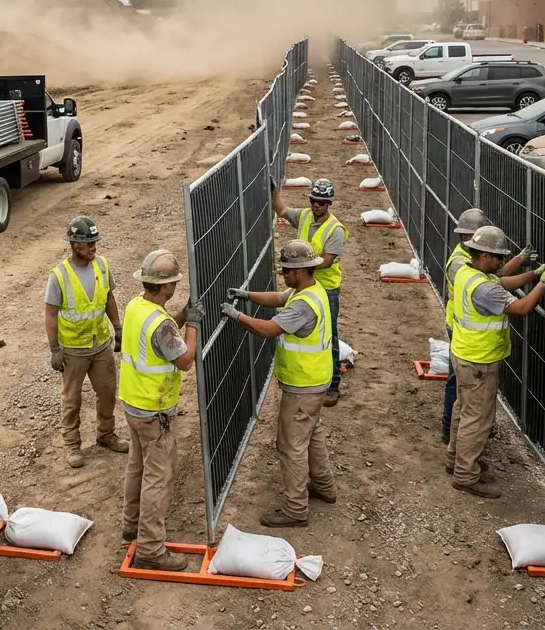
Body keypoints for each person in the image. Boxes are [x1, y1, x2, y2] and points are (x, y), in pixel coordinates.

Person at [221, 240, 339, 527]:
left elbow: (269, 329)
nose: (282, 274)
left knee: (291, 445)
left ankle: (296, 509)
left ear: (298, 272)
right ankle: (325, 487)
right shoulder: (311, 290)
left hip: (303, 385)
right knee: (312, 434)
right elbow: (278, 298)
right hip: (315, 381)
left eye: (286, 271)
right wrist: (246, 295)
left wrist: (236, 315)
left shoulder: (302, 306)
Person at [447, 225, 545, 499]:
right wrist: (543, 284)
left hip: (464, 354)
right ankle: (466, 475)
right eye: (497, 257)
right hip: (479, 362)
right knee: (478, 419)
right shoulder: (483, 289)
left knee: (463, 409)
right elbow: (521, 307)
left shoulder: (468, 273)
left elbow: (503, 282)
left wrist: (532, 274)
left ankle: (455, 459)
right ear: (483, 255)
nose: (500, 262)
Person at [119, 248, 203, 571]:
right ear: (166, 286)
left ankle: (131, 526)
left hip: (133, 404)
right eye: (175, 283)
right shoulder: (163, 327)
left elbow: (163, 332)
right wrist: (192, 325)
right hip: (155, 412)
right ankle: (151, 549)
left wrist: (181, 315)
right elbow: (183, 360)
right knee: (158, 476)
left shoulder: (137, 306)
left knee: (137, 466)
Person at [441, 208, 536, 445]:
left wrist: (525, 266)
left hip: (469, 335)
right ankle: (455, 441)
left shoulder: (468, 263)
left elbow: (498, 277)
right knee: (463, 394)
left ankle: (456, 444)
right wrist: (541, 282)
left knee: (464, 396)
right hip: (469, 338)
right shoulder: (462, 266)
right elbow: (498, 283)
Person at [44, 216, 128, 469]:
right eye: (89, 243)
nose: (94, 247)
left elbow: (109, 298)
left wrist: (118, 328)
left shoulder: (102, 265)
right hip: (73, 349)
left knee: (107, 392)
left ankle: (106, 434)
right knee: (72, 400)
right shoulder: (59, 276)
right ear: (75, 245)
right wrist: (55, 349)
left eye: (95, 242)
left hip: (100, 343)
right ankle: (72, 445)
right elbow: (50, 314)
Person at [271, 179, 348, 407]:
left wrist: (298, 268)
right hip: (304, 284)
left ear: (329, 203)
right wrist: (273, 190)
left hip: (327, 288)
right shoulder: (304, 216)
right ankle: (309, 372)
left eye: (322, 203)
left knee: (329, 333)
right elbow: (282, 210)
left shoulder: (335, 229)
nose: (317, 206)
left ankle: (333, 383)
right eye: (314, 201)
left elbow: (327, 261)